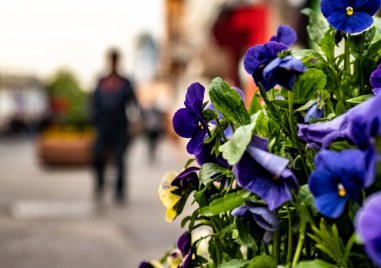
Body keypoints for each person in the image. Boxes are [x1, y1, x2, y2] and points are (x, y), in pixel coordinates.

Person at [90, 48, 139, 205]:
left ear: (119, 61)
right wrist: (93, 118)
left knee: (120, 159)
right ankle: (100, 184)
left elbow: (134, 104)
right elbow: (93, 102)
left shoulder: (125, 82)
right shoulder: (101, 81)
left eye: (115, 59)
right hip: (102, 127)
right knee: (98, 156)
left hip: (120, 128)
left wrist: (136, 122)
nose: (113, 62)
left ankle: (119, 191)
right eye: (111, 59)